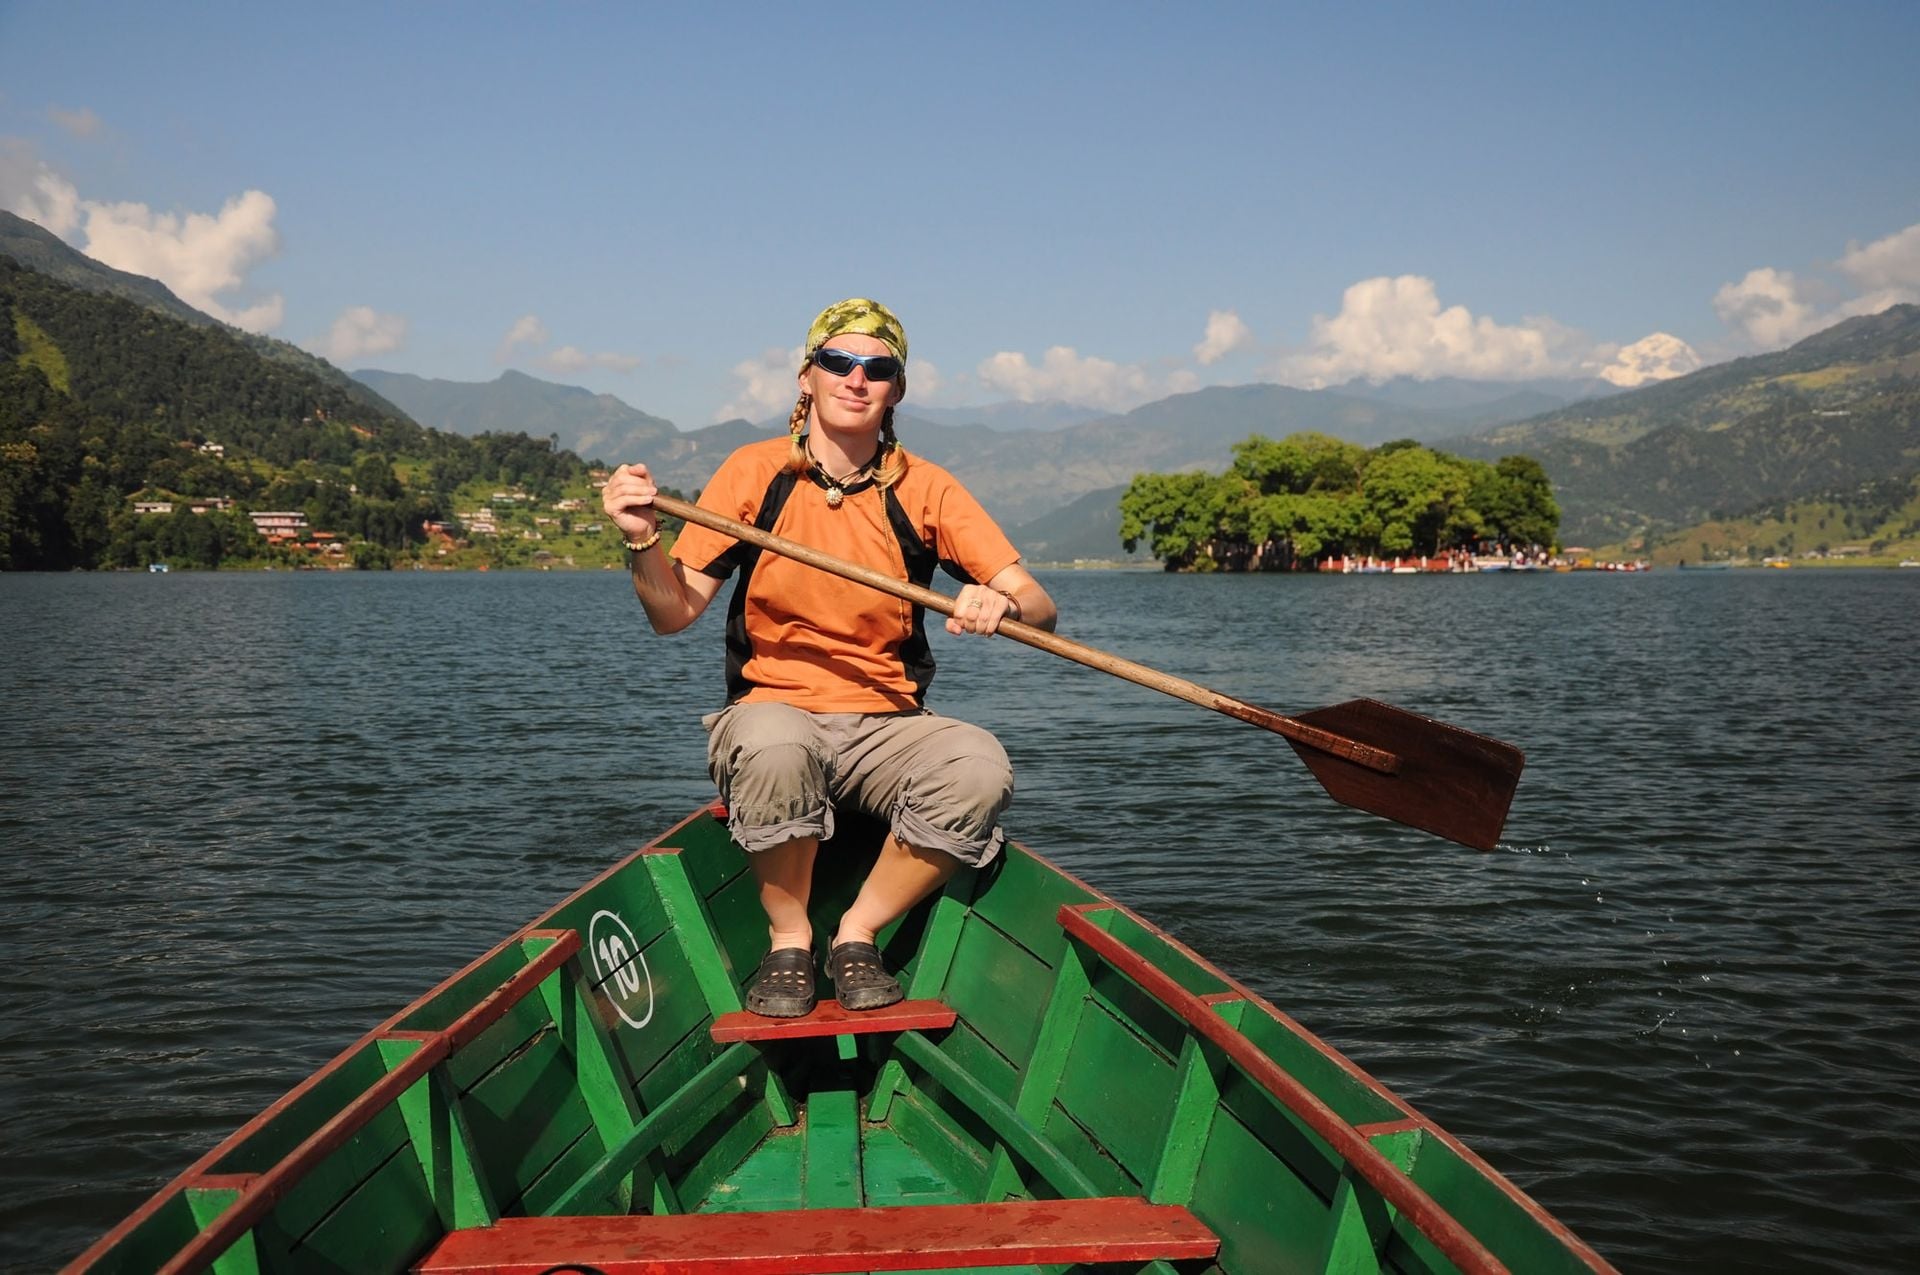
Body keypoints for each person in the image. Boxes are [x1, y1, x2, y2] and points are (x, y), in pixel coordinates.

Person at [600, 298, 1057, 1018]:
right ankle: (789, 938)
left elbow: (1039, 603)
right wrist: (639, 540)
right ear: (806, 377)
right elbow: (673, 610)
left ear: (895, 390)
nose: (856, 378)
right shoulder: (756, 473)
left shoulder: (925, 487)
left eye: (877, 368)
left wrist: (998, 601)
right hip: (773, 711)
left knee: (978, 766)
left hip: (888, 723)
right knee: (776, 744)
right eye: (837, 362)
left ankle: (856, 931)